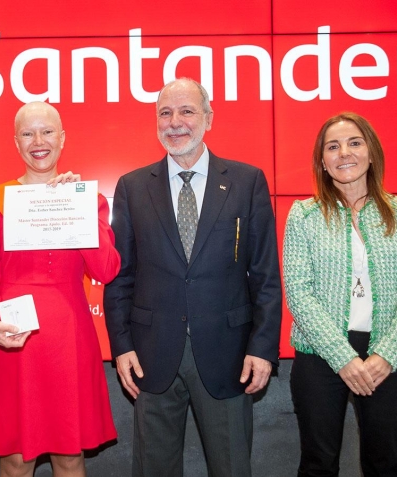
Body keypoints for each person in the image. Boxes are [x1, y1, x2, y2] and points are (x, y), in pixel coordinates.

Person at [103, 78, 282, 477]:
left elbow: (266, 275)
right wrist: (122, 346)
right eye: (165, 113)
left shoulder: (246, 181)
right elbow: (120, 276)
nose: (175, 122)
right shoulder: (132, 187)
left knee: (232, 468)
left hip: (229, 354)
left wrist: (263, 347)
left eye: (186, 111)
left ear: (208, 118)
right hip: (151, 355)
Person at [0, 101, 120, 477]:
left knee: (70, 457)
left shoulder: (87, 200)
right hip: (14, 341)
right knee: (16, 460)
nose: (38, 141)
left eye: (47, 131)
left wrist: (76, 207)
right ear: (16, 142)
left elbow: (106, 269)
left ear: (62, 138)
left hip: (70, 340)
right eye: (27, 133)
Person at [283, 112, 397, 476]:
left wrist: (387, 353)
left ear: (371, 152)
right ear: (322, 161)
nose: (344, 153)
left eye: (354, 143)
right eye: (332, 147)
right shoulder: (303, 215)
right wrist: (342, 357)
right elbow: (299, 293)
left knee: (385, 465)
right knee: (318, 464)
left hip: (386, 357)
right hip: (319, 356)